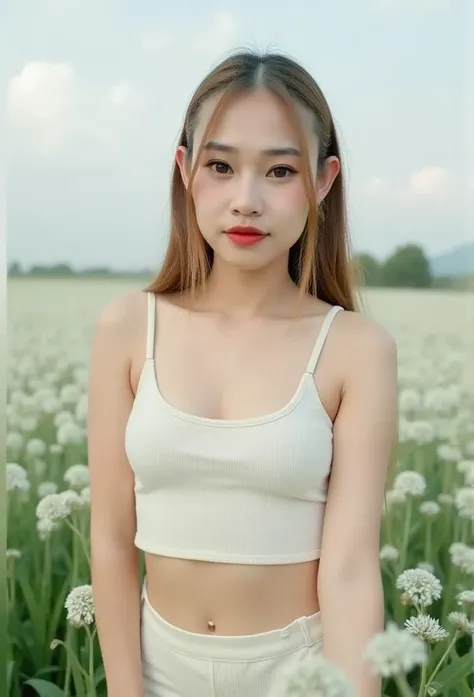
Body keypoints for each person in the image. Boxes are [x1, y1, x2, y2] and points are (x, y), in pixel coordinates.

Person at [87, 48, 398, 697]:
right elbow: (113, 541)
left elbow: (347, 568)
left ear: (322, 180)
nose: (246, 200)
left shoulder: (355, 348)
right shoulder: (125, 328)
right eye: (221, 166)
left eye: (280, 170)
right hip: (155, 667)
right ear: (185, 171)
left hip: (300, 674)